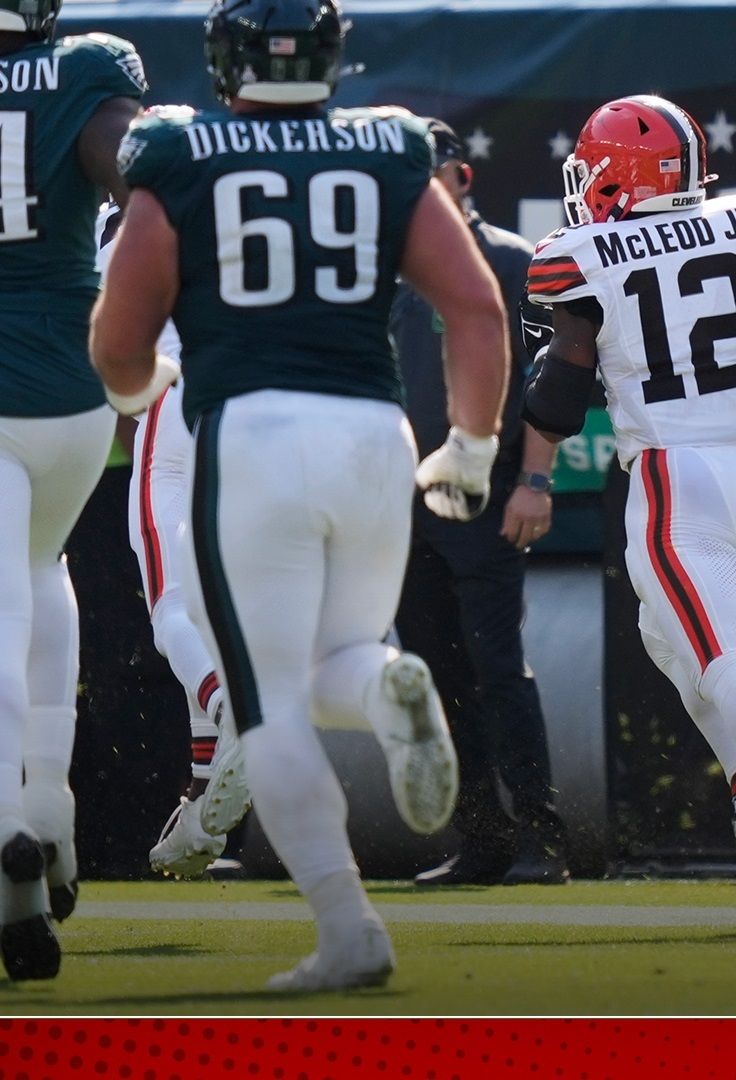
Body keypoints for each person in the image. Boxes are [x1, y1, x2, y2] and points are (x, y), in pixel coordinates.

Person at [91, 0, 509, 991]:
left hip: (253, 432)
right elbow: (477, 305)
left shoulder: (179, 156)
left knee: (266, 698)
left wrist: (137, 391)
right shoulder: (387, 148)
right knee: (346, 655)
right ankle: (383, 689)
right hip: (372, 432)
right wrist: (475, 447)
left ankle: (346, 925)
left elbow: (118, 337)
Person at [519, 94, 736, 918]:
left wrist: (543, 422)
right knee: (669, 636)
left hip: (676, 486)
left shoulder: (582, 256)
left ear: (616, 175)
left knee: (722, 662)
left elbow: (563, 397)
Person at [0, 0, 145, 982]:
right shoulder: (88, 68)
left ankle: (10, 844)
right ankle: (52, 802)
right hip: (73, 390)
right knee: (42, 569)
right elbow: (142, 182)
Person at [393, 118, 570, 888]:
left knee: (499, 667)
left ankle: (541, 838)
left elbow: (550, 385)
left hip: (489, 496)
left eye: (426, 174)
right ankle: (484, 838)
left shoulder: (511, 260)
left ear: (461, 179)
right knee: (436, 671)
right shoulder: (383, 268)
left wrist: (534, 481)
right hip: (402, 505)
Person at [93, 204, 252, 881]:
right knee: (216, 613)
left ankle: (233, 711)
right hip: (257, 404)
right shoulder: (241, 205)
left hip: (179, 401)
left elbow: (111, 345)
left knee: (170, 610)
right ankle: (197, 797)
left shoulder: (121, 222)